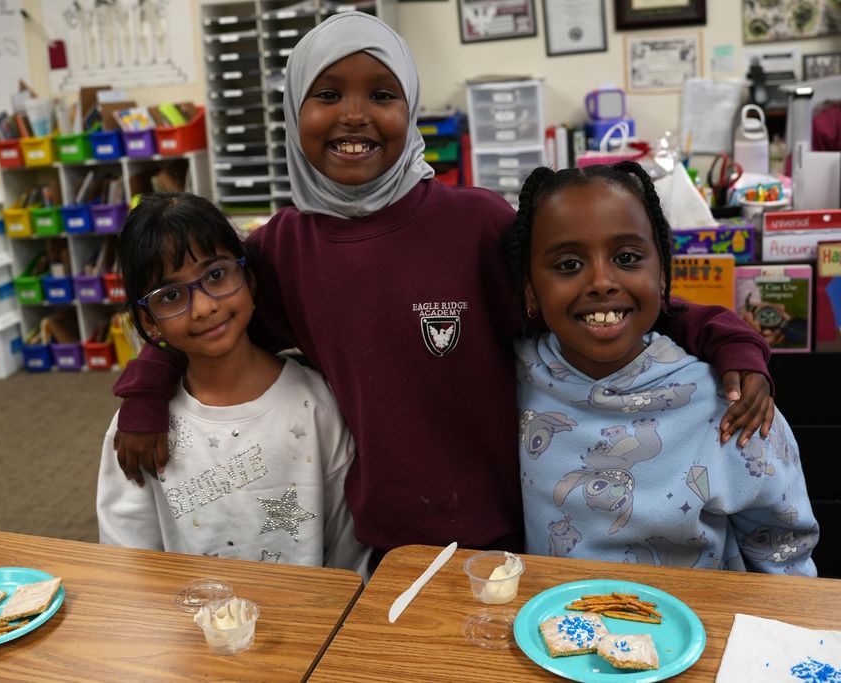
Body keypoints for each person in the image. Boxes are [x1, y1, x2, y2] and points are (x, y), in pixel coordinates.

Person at [111, 12, 775, 566]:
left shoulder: (476, 223)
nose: (354, 116)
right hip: (383, 541)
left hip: (514, 524)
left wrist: (727, 336)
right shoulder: (281, 248)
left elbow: (597, 298)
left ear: (411, 106)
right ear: (292, 109)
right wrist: (144, 394)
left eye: (381, 94)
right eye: (327, 94)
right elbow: (208, 317)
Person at [510, 162, 818, 575]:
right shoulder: (507, 380)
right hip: (545, 628)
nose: (601, 281)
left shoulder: (730, 404)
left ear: (662, 273)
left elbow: (786, 557)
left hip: (698, 631)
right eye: (568, 264)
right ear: (531, 290)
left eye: (627, 257)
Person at [96, 192, 370, 579]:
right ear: (150, 319)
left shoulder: (315, 403)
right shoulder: (137, 433)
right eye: (172, 295)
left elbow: (349, 546)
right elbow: (128, 557)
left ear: (250, 277)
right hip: (187, 631)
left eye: (216, 275)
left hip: (312, 627)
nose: (204, 307)